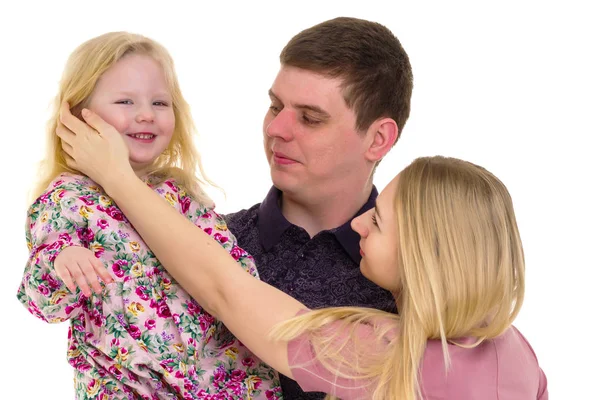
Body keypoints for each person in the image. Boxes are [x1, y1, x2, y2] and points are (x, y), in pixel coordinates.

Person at [55, 109, 549, 399]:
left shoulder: (387, 356)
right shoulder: (515, 350)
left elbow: (226, 290)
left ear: (425, 255)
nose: (359, 222)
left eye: (377, 221)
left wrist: (118, 178)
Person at [17, 32, 280, 399]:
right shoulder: (67, 199)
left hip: (215, 381)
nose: (145, 114)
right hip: (126, 384)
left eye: (160, 102)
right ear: (76, 115)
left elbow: (231, 270)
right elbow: (41, 301)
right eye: (125, 101)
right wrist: (63, 260)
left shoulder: (181, 196)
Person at [225, 17, 413, 398]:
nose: (277, 129)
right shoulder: (206, 238)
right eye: (275, 107)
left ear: (378, 139)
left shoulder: (419, 281)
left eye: (310, 118)